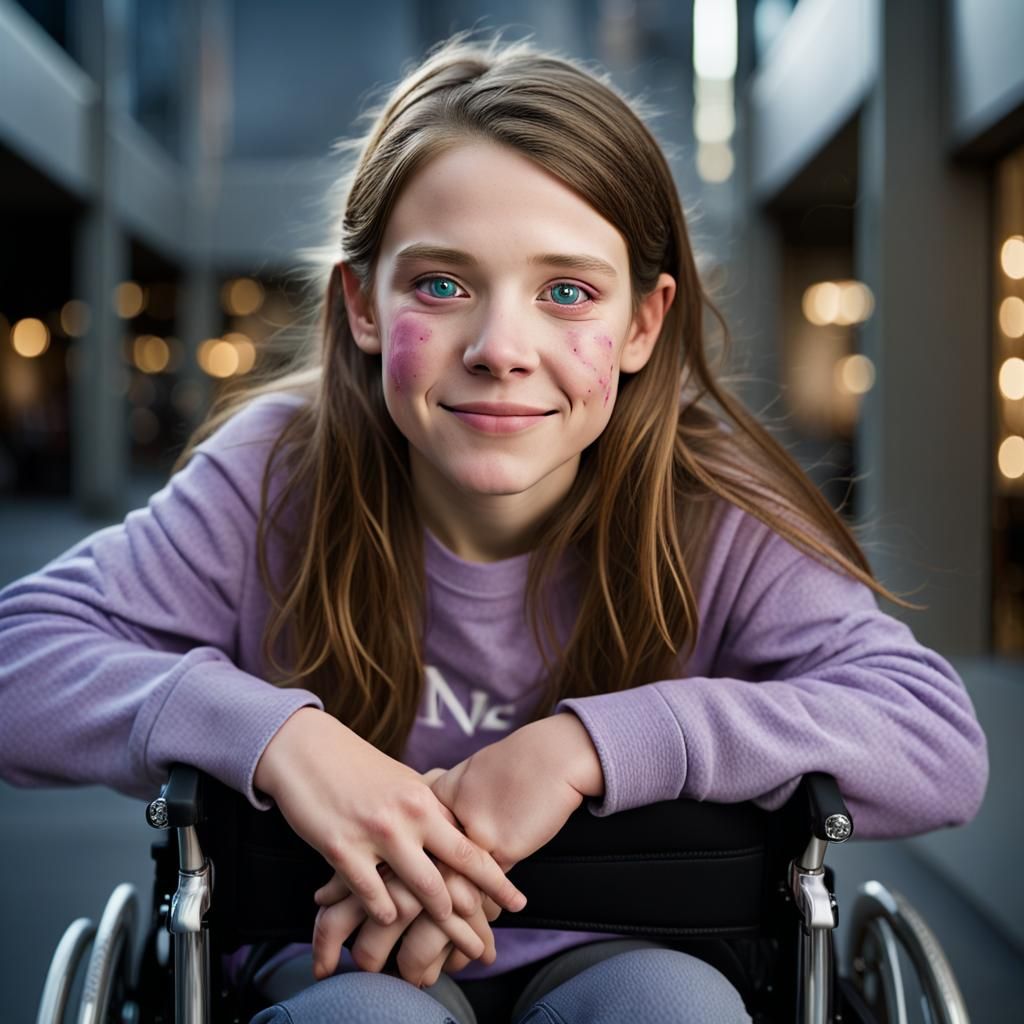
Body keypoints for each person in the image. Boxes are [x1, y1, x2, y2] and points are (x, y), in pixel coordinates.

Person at [0, 34, 988, 1024]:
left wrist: (586, 748)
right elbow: (20, 659)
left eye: (567, 292)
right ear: (362, 304)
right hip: (332, 959)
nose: (501, 349)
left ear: (645, 324)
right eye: (442, 284)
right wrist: (285, 740)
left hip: (634, 947)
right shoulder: (276, 475)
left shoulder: (709, 507)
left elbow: (932, 741)